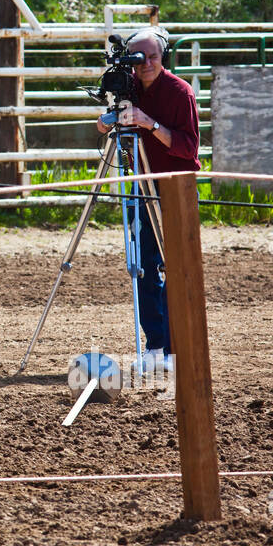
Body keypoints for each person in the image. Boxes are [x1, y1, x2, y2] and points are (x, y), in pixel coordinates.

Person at [95, 26, 200, 370]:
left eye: (153, 56)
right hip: (140, 185)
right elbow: (114, 121)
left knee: (175, 268)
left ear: (163, 56)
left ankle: (175, 348)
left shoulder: (179, 92)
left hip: (174, 188)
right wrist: (108, 120)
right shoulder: (131, 89)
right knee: (142, 267)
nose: (147, 64)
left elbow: (188, 148)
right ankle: (155, 347)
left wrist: (149, 123)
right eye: (139, 59)